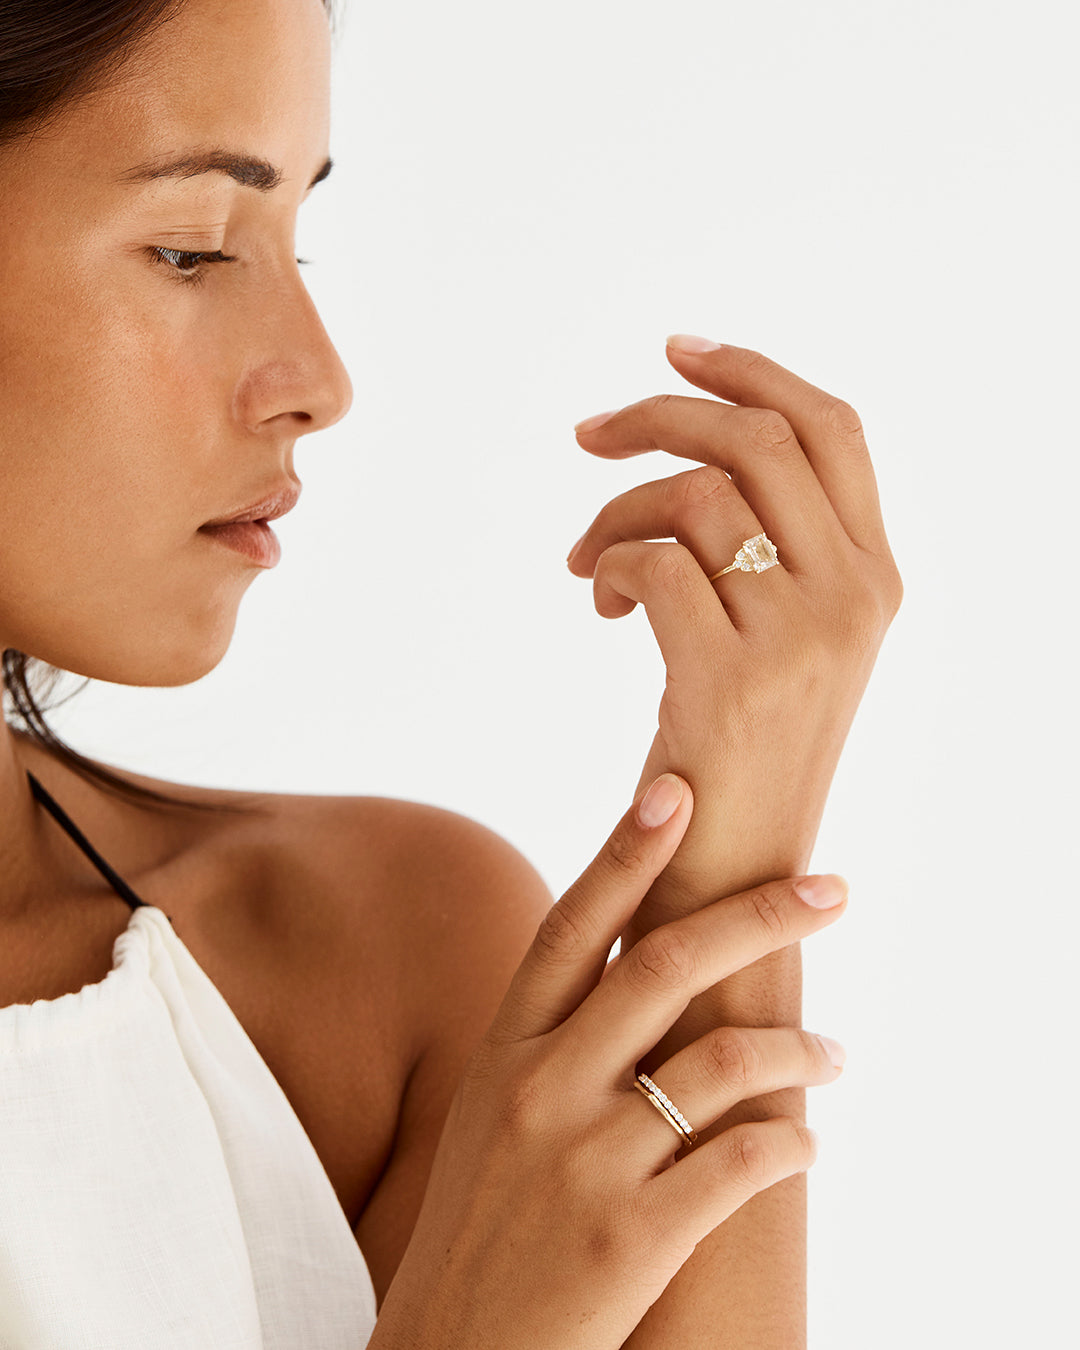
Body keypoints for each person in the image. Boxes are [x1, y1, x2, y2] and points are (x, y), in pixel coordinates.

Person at [0, 0, 903, 1345]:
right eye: (192, 249)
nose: (320, 379)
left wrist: (737, 845)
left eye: (299, 236)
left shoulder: (379, 967)